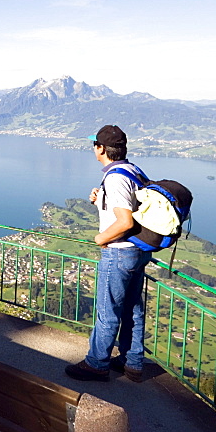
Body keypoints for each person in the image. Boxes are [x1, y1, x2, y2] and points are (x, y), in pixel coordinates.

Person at [65, 124, 149, 383]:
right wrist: (100, 200)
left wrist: (100, 237)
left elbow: (125, 222)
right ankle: (132, 362)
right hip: (137, 251)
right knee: (132, 309)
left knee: (107, 310)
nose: (94, 148)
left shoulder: (116, 177)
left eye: (95, 144)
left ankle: (97, 364)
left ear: (100, 148)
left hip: (119, 253)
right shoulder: (133, 170)